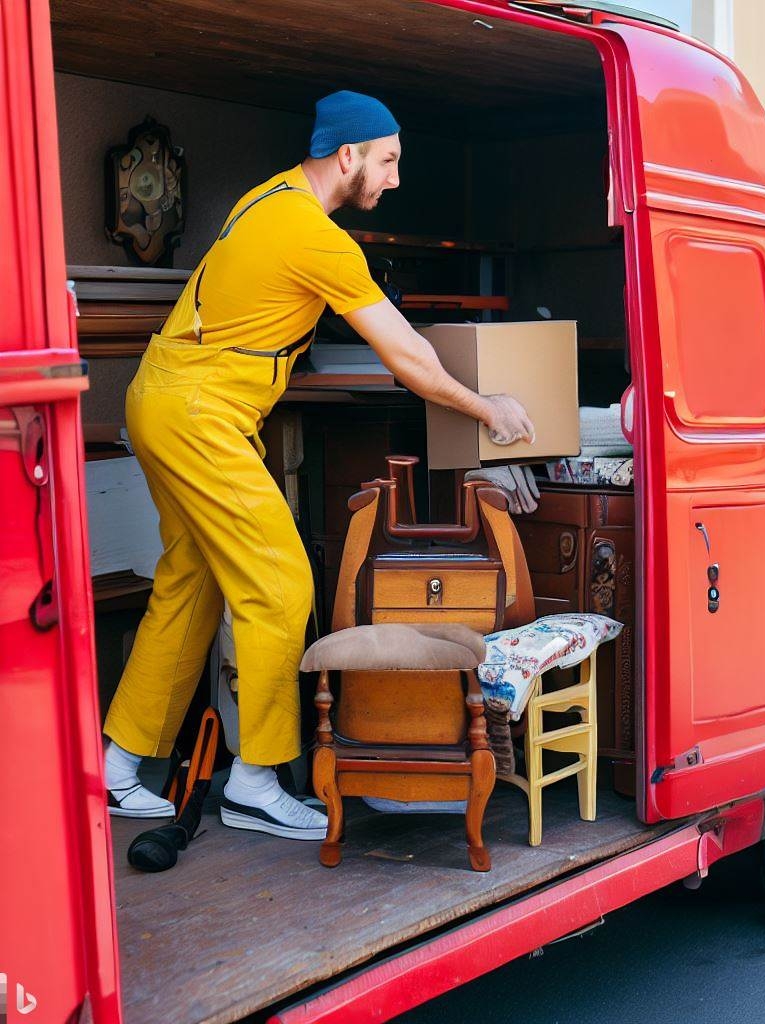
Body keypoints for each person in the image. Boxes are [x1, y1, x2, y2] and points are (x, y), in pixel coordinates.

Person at [102, 90, 534, 840]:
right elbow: (407, 355)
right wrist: (486, 406)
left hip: (163, 398)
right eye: (389, 160)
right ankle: (254, 780)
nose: (395, 177)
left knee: (192, 581)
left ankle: (116, 764)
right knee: (279, 583)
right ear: (348, 155)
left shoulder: (266, 199)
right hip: (200, 413)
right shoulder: (317, 237)